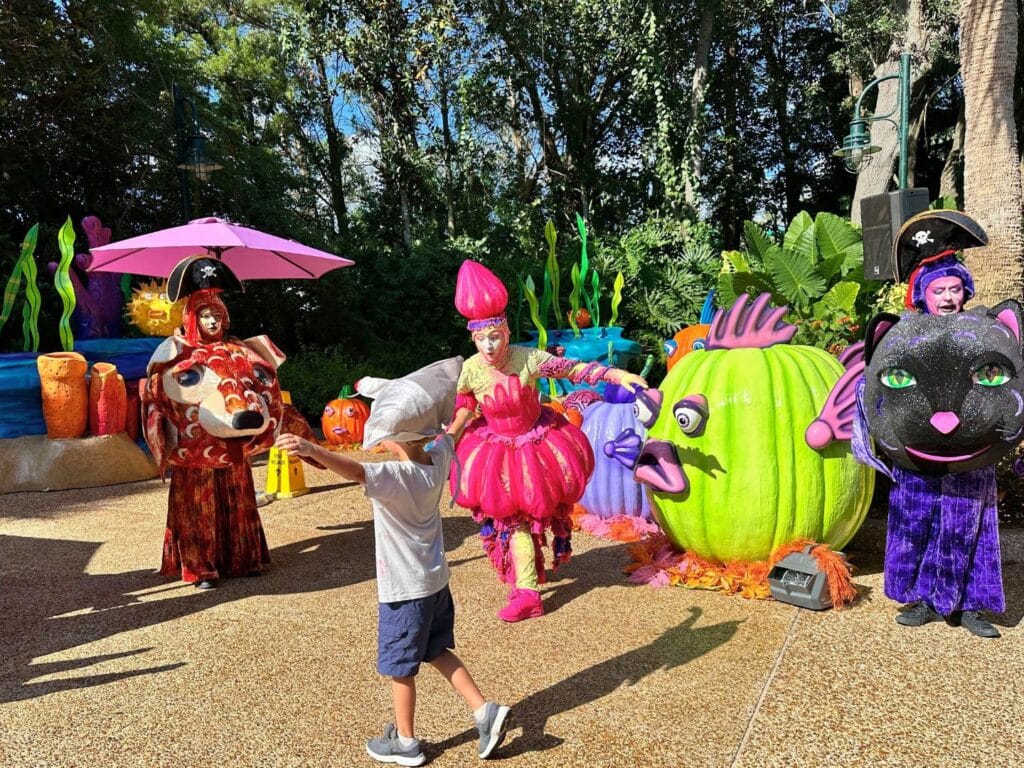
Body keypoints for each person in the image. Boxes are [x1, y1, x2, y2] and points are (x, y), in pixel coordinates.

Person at [275, 357, 511, 765]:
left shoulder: (394, 477)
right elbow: (452, 431)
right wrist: (466, 410)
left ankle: (405, 743)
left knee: (400, 667)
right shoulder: (435, 462)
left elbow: (353, 470)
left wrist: (312, 447)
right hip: (435, 583)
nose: (381, 442)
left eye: (386, 437)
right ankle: (483, 710)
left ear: (401, 440)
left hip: (404, 590)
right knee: (437, 651)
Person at [448, 260, 647, 622]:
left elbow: (574, 369)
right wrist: (450, 436)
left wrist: (619, 374)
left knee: (524, 519)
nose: (489, 346)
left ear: (506, 333)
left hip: (535, 448)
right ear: (473, 338)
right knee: (510, 521)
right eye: (481, 339)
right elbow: (465, 404)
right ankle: (524, 583)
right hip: (494, 451)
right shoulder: (472, 369)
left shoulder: (529, 359)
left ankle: (526, 593)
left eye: (495, 336)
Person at [904, 253, 975, 316]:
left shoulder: (977, 326)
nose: (948, 298)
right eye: (938, 291)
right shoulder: (906, 329)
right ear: (922, 296)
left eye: (955, 290)